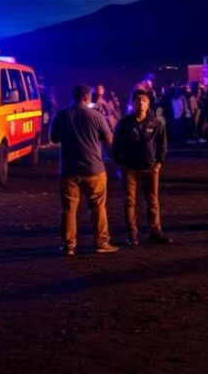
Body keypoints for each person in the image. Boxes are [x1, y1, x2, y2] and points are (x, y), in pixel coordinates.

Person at [50, 84, 118, 256]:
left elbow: (54, 138)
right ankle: (101, 243)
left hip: (69, 169)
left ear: (73, 97)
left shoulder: (62, 115)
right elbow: (108, 139)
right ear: (88, 97)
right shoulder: (96, 116)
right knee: (97, 207)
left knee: (69, 209)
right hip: (94, 168)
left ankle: (68, 245)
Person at [112, 89, 172, 245]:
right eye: (138, 100)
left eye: (144, 100)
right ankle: (132, 234)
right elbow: (115, 146)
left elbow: (163, 145)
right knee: (130, 201)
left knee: (152, 201)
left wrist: (159, 163)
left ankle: (155, 232)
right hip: (130, 168)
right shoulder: (124, 123)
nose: (141, 103)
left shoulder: (156, 122)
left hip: (150, 168)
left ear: (148, 103)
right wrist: (120, 165)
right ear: (133, 103)